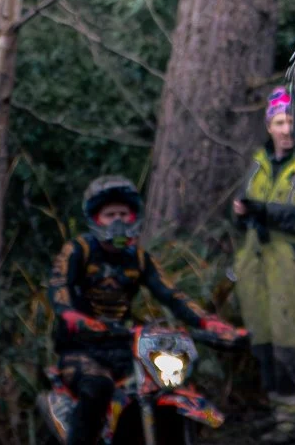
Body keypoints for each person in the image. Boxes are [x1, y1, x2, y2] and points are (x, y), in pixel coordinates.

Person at [49, 175, 240, 445]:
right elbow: (59, 287)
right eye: (109, 214)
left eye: (123, 214)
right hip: (80, 349)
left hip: (126, 345)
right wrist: (72, 317)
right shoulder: (78, 250)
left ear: (133, 217)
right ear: (95, 217)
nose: (117, 221)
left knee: (167, 383)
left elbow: (171, 294)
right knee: (97, 388)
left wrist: (209, 323)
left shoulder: (139, 258)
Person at [233, 87, 295, 444]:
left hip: (292, 269)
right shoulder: (258, 161)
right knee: (265, 344)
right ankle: (276, 414)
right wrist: (243, 213)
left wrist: (266, 212)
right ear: (269, 125)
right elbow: (244, 206)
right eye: (279, 122)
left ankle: (291, 423)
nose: (286, 129)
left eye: (290, 121)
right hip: (256, 266)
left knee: (291, 346)